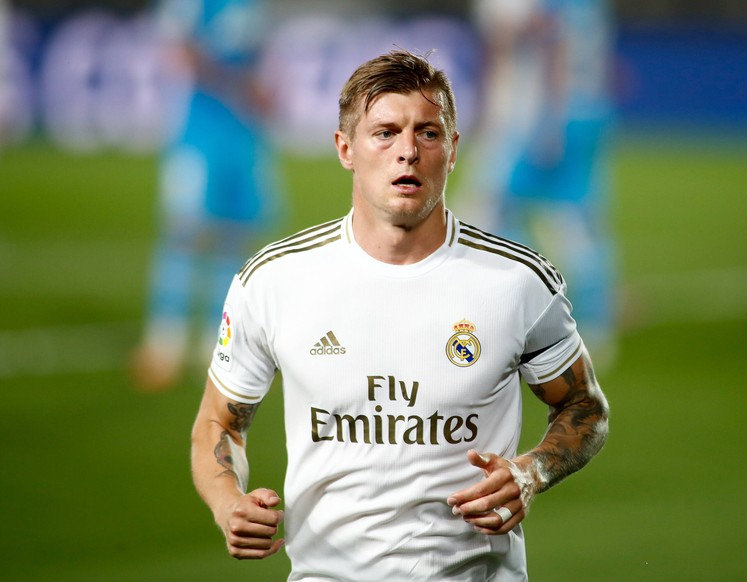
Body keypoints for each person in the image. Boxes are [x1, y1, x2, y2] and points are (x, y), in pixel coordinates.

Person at [191, 50, 609, 581]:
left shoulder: (518, 282)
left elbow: (585, 406)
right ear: (345, 148)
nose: (407, 152)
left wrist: (531, 472)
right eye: (384, 133)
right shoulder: (274, 281)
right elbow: (216, 423)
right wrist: (228, 502)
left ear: (453, 150)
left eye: (428, 134)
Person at [130, 0, 284, 391]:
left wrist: (265, 90)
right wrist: (236, 84)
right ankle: (165, 341)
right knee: (184, 233)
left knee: (235, 235)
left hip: (244, 135)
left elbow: (260, 54)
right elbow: (179, 47)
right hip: (200, 131)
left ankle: (217, 342)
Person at [459, 0, 619, 367]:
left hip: (548, 114)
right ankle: (592, 323)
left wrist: (550, 121)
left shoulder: (548, 9)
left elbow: (549, 45)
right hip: (587, 111)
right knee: (576, 219)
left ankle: (541, 310)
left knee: (488, 210)